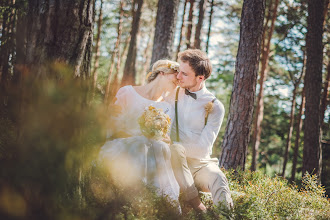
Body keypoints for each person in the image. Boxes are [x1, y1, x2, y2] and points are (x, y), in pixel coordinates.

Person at [99, 60, 181, 208]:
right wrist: (139, 136)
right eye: (175, 75)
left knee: (158, 146)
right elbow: (111, 126)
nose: (178, 80)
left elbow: (165, 136)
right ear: (161, 73)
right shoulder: (127, 92)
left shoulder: (167, 107)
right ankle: (137, 200)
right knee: (143, 144)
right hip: (120, 146)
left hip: (151, 149)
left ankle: (160, 203)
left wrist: (163, 138)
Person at [168, 49, 233, 211]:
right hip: (172, 161)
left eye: (184, 74)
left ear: (200, 78)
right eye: (179, 72)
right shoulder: (171, 94)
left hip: (200, 165)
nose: (178, 77)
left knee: (218, 178)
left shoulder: (215, 106)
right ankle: (199, 208)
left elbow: (203, 149)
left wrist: (177, 145)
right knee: (175, 150)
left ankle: (225, 216)